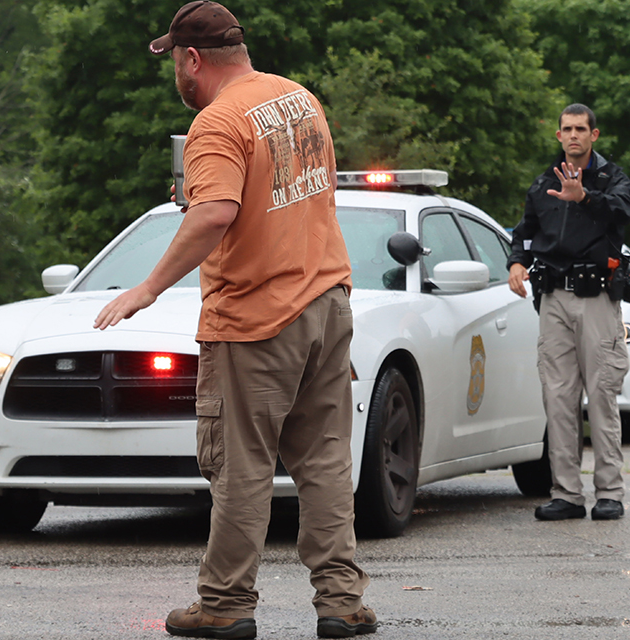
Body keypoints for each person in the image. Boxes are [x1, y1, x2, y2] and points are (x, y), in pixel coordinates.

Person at [95, 3, 375, 638]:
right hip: (326, 303)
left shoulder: (215, 123)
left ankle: (224, 605)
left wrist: (148, 286)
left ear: (191, 59)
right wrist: (205, 197)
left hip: (256, 318)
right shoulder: (298, 100)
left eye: (173, 61)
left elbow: (217, 213)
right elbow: (278, 192)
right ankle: (341, 602)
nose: (175, 74)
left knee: (240, 465)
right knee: (325, 459)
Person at [507, 103, 630, 522]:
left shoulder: (611, 178)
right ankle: (566, 493)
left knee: (601, 396)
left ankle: (609, 493)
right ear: (558, 134)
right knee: (558, 397)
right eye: (567, 129)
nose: (574, 135)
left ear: (594, 135)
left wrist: (585, 198)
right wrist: (516, 262)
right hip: (554, 298)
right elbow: (524, 230)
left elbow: (624, 212)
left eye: (581, 128)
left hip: (596, 296)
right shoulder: (544, 181)